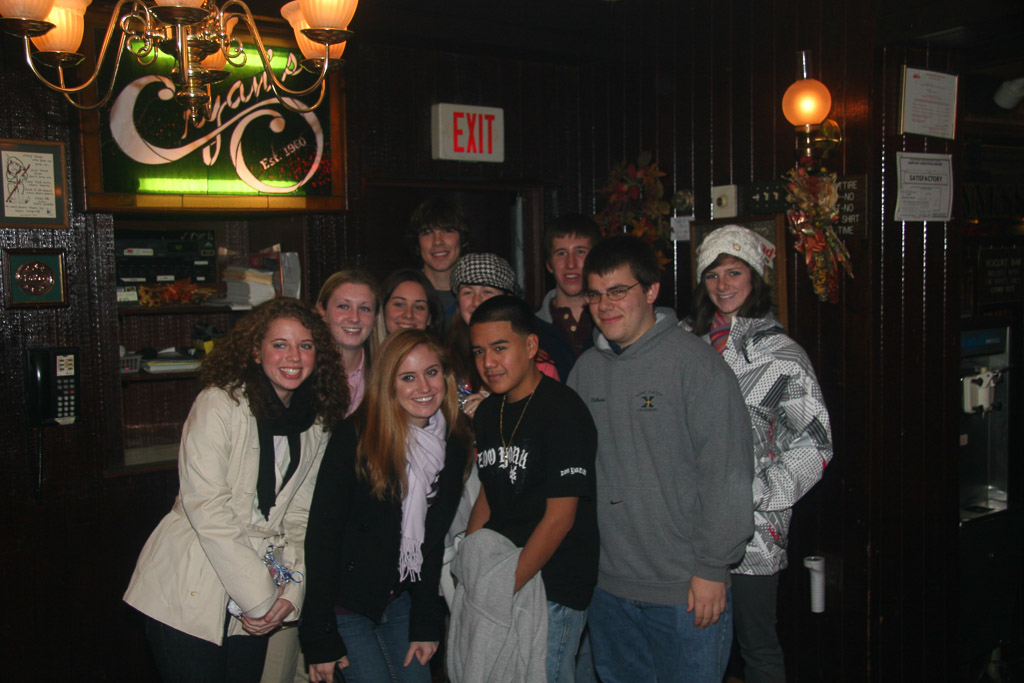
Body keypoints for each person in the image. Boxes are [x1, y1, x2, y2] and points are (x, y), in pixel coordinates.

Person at [123, 298, 349, 683]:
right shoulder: (220, 402)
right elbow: (208, 508)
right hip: (190, 583)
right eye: (280, 344)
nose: (294, 356)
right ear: (255, 351)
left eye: (305, 345)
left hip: (260, 587)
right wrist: (261, 599)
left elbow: (300, 517)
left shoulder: (317, 421)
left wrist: (289, 594)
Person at [566, 234, 754, 683]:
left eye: (618, 291)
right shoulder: (585, 371)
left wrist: (712, 568)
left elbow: (727, 473)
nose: (605, 306)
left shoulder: (697, 366)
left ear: (651, 291)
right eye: (595, 294)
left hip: (684, 590)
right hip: (607, 587)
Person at [689, 225, 833, 683]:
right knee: (699, 646)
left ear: (754, 277)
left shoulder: (782, 356)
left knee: (757, 647)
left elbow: (817, 441)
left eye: (734, 272)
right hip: (690, 529)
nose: (723, 285)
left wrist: (756, 491)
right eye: (712, 275)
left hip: (754, 535)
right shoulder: (688, 348)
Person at [299, 329, 473, 683]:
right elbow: (322, 538)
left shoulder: (454, 440)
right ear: (387, 384)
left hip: (400, 598)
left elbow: (431, 541)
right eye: (407, 377)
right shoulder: (355, 437)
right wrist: (319, 636)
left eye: (431, 372)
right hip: (345, 604)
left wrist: (426, 621)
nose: (423, 387)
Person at [459, 295, 598, 682]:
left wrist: (504, 586)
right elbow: (490, 489)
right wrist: (470, 562)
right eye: (479, 351)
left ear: (531, 345)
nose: (488, 362)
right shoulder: (489, 411)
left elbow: (560, 518)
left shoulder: (563, 410)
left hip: (554, 584)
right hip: (504, 573)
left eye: (500, 348)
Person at [447, 253, 570, 417]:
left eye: (487, 291)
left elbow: (547, 417)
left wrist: (493, 409)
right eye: (467, 292)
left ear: (508, 299)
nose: (476, 301)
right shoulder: (446, 357)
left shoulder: (535, 361)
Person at [535, 213, 603, 362]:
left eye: (580, 252)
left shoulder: (614, 319)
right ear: (549, 265)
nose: (571, 264)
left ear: (596, 259)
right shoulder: (529, 327)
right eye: (561, 253)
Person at [315, 269, 381, 416]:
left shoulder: (384, 377)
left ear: (375, 318)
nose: (354, 318)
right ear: (322, 310)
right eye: (344, 306)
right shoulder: (303, 371)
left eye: (364, 308)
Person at [408, 197, 470, 326]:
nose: (437, 241)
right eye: (427, 233)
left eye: (447, 231)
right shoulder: (404, 294)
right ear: (418, 243)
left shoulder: (477, 297)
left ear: (462, 239)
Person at [371, 268, 444, 348]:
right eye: (399, 304)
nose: (409, 315)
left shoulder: (439, 355)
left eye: (419, 307)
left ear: (429, 317)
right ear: (383, 309)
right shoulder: (366, 354)